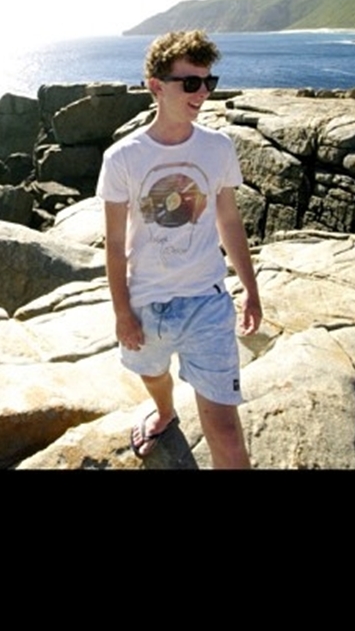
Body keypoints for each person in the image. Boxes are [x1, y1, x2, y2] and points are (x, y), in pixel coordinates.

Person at [96, 29, 262, 468]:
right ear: (156, 86)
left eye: (209, 82)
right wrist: (122, 313)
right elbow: (114, 245)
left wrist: (250, 288)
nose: (202, 93)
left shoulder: (217, 146)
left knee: (226, 433)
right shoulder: (123, 158)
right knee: (152, 373)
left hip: (206, 300)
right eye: (190, 83)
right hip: (146, 300)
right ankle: (166, 411)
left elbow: (229, 220)